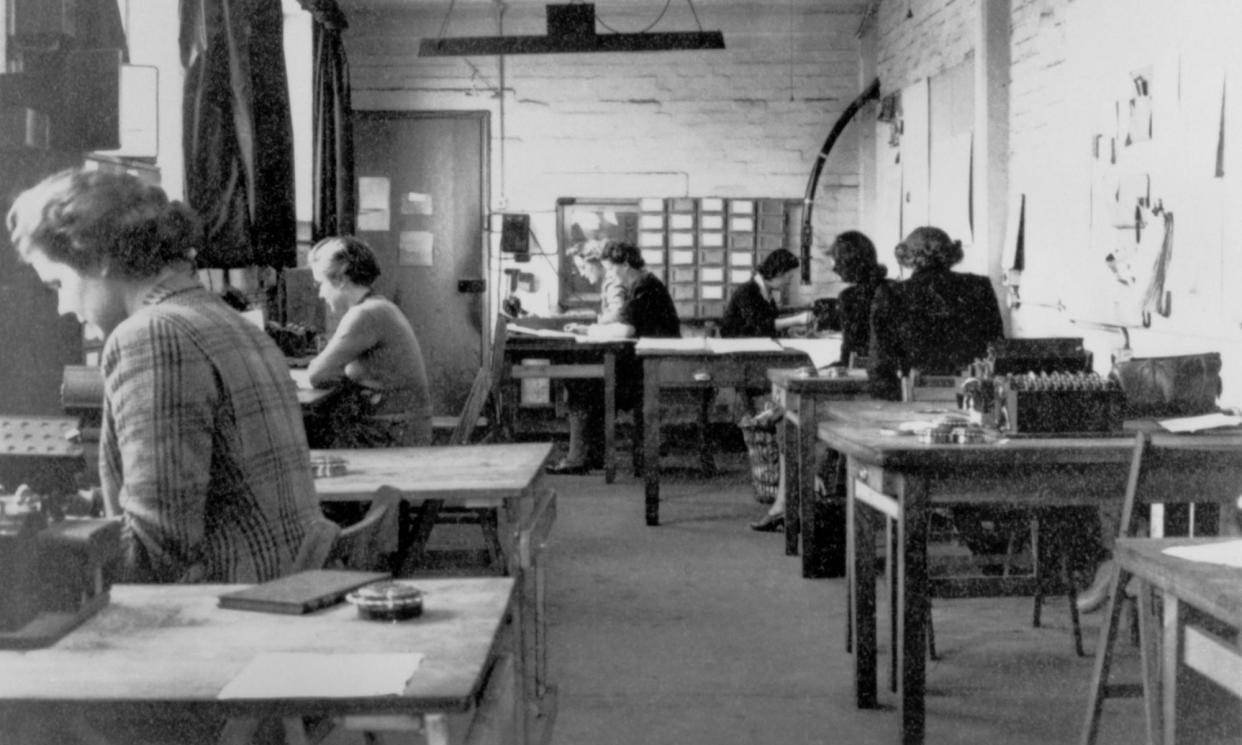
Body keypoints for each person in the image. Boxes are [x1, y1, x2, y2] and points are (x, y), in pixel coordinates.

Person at [6, 168, 324, 584]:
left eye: (58, 283)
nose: (64, 306)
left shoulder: (152, 334)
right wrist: (80, 510)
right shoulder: (228, 320)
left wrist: (34, 539)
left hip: (223, 615)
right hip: (278, 588)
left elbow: (157, 554)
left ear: (99, 258)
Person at [750, 232, 892, 532]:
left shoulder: (851, 298)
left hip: (863, 394)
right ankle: (792, 499)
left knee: (788, 415)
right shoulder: (891, 289)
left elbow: (851, 356)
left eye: (836, 262)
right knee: (785, 409)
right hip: (886, 390)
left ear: (848, 263)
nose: (835, 269)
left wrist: (817, 371)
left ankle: (786, 503)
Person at [546, 240, 681, 474]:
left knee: (581, 386)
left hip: (651, 371)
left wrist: (588, 331)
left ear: (626, 265)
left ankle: (580, 458)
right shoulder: (644, 284)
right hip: (648, 365)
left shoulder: (644, 288)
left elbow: (624, 330)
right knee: (587, 384)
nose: (609, 274)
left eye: (611, 268)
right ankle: (590, 456)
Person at [307, 235, 432, 448]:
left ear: (341, 279)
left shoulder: (366, 314)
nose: (320, 294)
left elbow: (317, 374)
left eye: (322, 284)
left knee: (308, 437)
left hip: (393, 435)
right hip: (400, 427)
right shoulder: (379, 307)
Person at [867, 225, 1005, 400]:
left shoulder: (891, 294)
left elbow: (879, 365)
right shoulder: (980, 286)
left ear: (907, 256)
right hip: (972, 395)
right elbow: (996, 347)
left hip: (913, 395)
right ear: (951, 254)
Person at [719, 248, 814, 338]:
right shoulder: (747, 291)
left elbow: (770, 324)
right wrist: (797, 320)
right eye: (788, 278)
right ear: (778, 272)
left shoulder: (766, 293)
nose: (788, 283)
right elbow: (760, 326)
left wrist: (789, 332)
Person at [563, 239, 628, 332]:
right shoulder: (608, 280)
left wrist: (591, 326)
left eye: (583, 267)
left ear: (595, 262)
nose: (582, 274)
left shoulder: (612, 281)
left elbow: (617, 315)